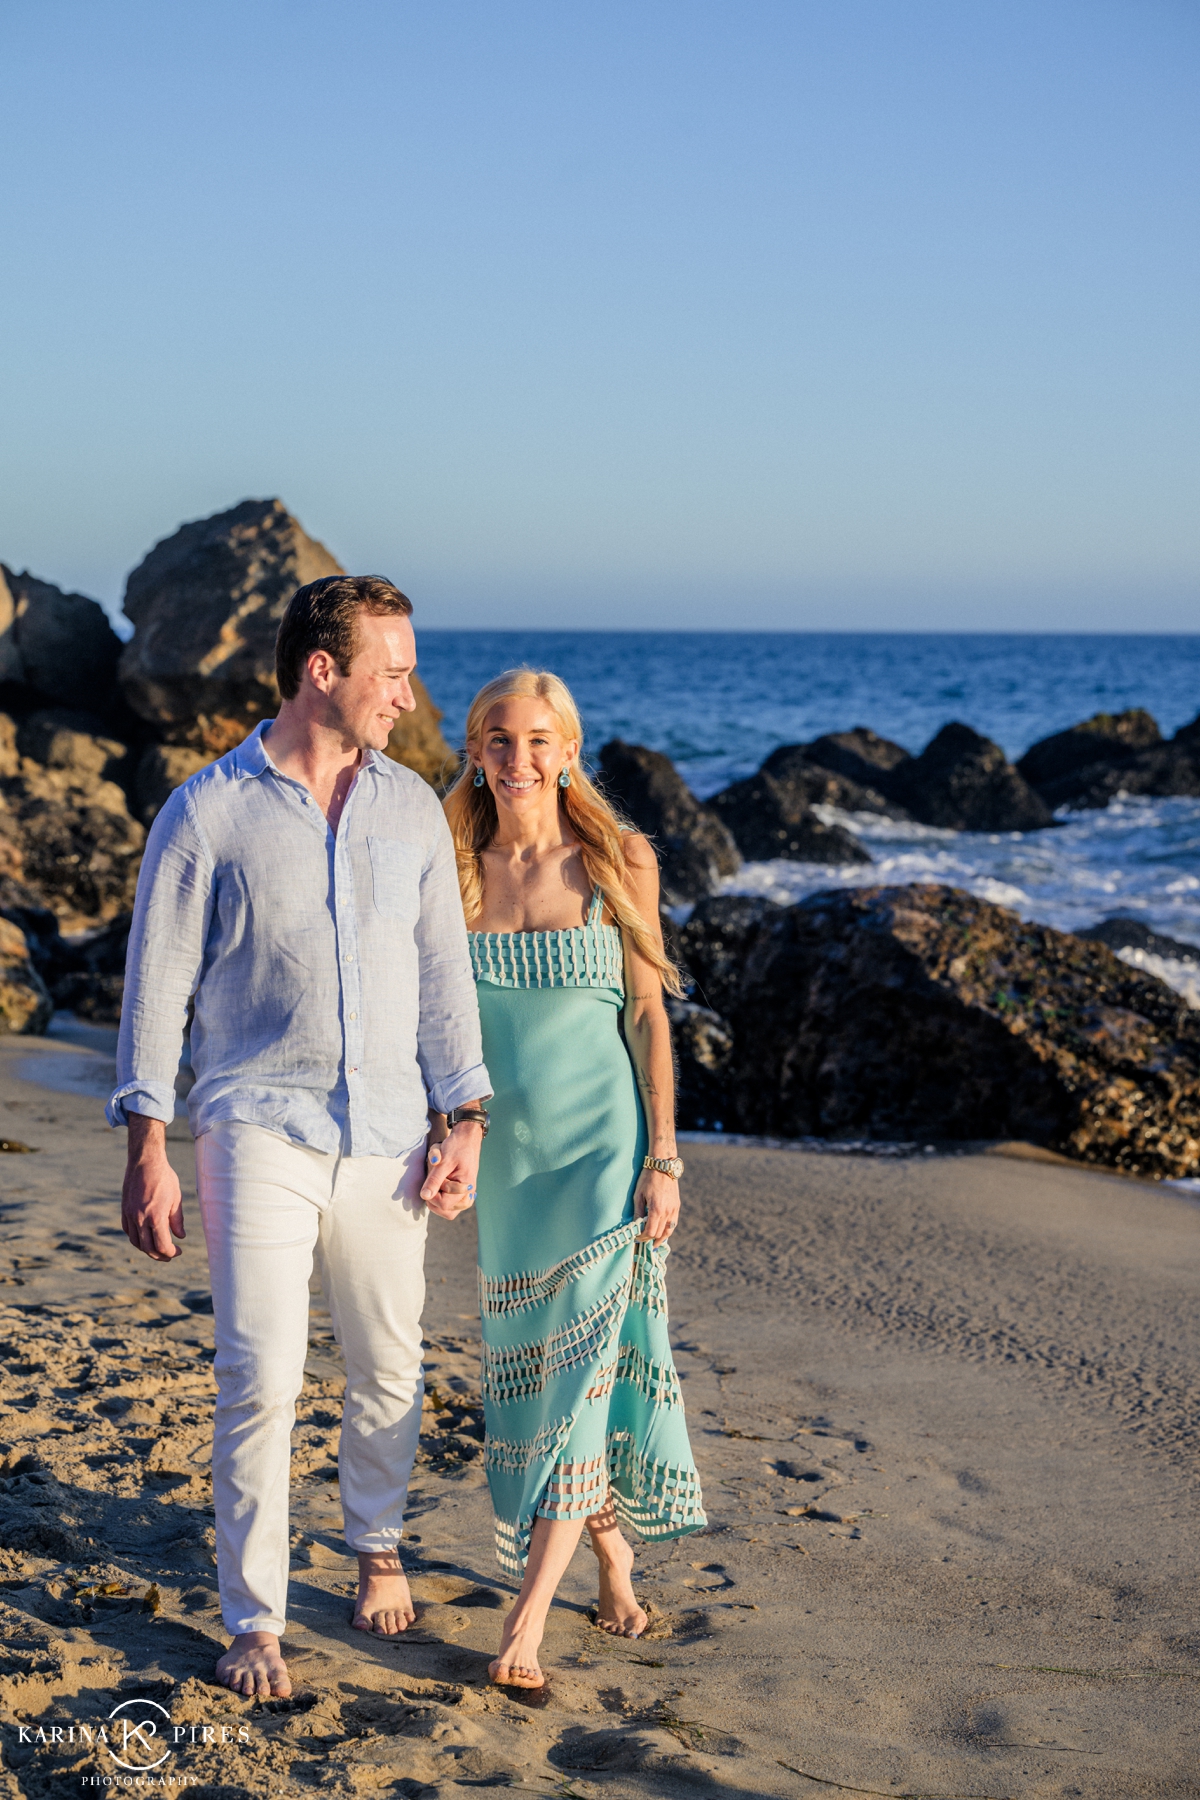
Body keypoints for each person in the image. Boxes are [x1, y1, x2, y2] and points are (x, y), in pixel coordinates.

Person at [109, 576, 490, 1702]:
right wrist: (146, 1148)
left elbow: (441, 978)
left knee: (389, 1362)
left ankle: (375, 1539)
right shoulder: (206, 812)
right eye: (392, 670)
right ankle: (256, 1616)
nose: (408, 693)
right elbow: (156, 987)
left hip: (387, 1139)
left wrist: (460, 1116)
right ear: (322, 671)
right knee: (259, 1376)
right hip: (253, 1128)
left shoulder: (412, 807)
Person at [442, 668, 706, 1689]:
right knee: (556, 1378)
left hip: (605, 1155)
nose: (520, 760)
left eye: (541, 740)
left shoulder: (617, 858)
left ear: (570, 750)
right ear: (474, 746)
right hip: (510, 1169)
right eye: (500, 740)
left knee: (588, 1367)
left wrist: (664, 1157)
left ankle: (525, 1626)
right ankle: (613, 1558)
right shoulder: (450, 863)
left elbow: (648, 1015)